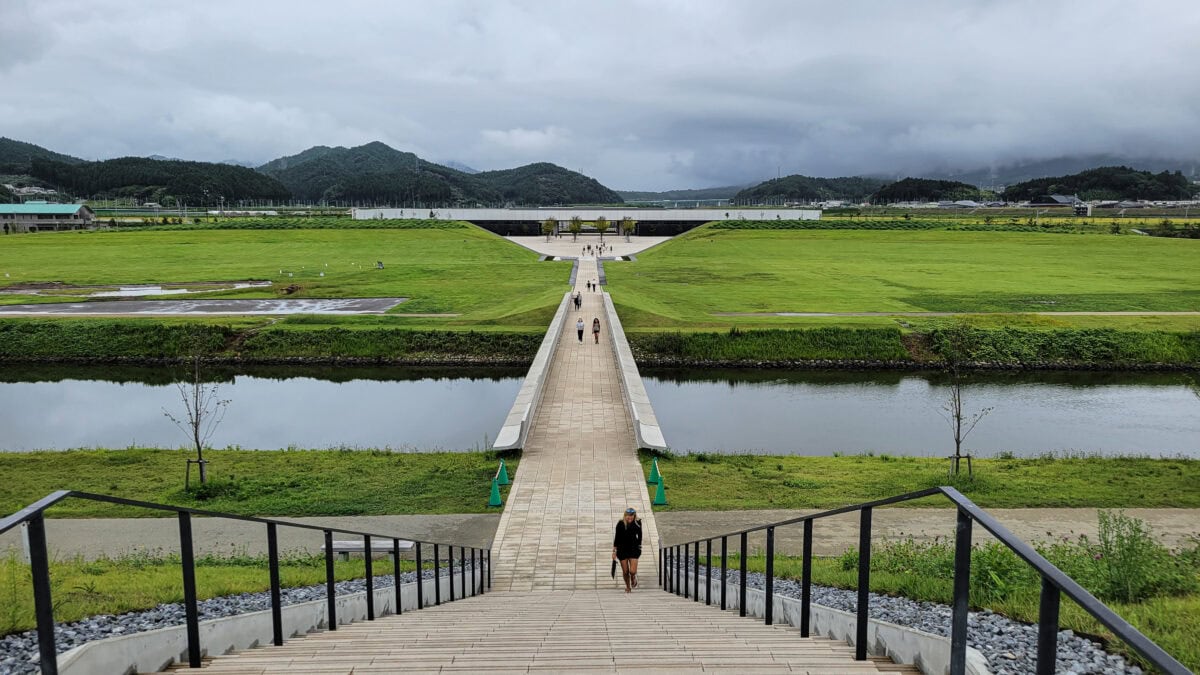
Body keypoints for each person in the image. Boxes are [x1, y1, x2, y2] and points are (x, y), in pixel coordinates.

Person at [613, 507, 643, 592]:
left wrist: (639, 546)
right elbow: (616, 538)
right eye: (628, 516)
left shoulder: (638, 523)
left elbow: (640, 535)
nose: (629, 517)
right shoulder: (620, 523)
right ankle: (628, 586)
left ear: (634, 516)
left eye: (631, 516)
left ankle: (633, 577)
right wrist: (614, 551)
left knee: (632, 571)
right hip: (622, 549)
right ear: (625, 516)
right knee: (625, 571)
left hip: (633, 548)